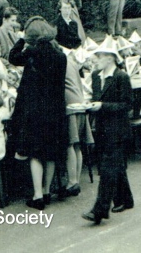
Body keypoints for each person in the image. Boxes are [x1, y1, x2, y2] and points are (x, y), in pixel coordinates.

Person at [8, 16, 67, 211]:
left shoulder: (33, 52)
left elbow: (13, 58)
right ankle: (47, 190)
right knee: (50, 153)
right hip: (56, 108)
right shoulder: (60, 54)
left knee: (35, 153)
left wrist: (21, 40)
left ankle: (37, 195)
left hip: (35, 110)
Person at [82, 36, 133, 224]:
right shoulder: (96, 76)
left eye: (100, 56)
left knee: (107, 168)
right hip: (102, 128)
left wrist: (102, 105)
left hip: (118, 129)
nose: (96, 59)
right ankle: (125, 199)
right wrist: (89, 104)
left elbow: (127, 104)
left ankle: (99, 209)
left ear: (111, 58)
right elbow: (96, 98)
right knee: (115, 164)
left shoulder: (121, 77)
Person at [60, 49, 94, 199]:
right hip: (79, 102)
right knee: (77, 144)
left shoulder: (60, 62)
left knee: (69, 144)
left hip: (69, 104)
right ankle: (76, 180)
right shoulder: (72, 63)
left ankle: (72, 182)